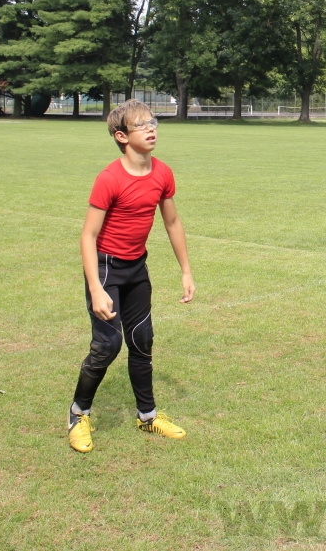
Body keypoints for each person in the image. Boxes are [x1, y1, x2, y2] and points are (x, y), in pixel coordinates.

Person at [68, 99, 196, 453]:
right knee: (108, 345)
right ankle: (78, 414)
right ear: (122, 136)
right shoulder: (109, 178)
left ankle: (148, 416)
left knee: (143, 341)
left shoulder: (163, 173)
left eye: (153, 121)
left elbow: (172, 222)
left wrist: (186, 271)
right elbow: (87, 236)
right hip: (106, 268)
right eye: (142, 125)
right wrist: (95, 288)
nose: (152, 128)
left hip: (137, 268)